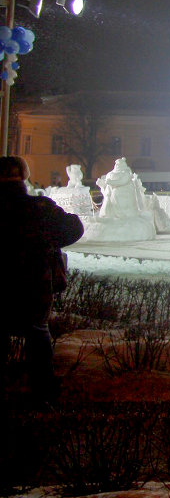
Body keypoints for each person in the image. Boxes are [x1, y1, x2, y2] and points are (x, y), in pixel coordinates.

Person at [0, 156, 84, 404]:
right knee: (37, 331)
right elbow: (73, 228)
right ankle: (42, 386)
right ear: (24, 177)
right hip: (34, 283)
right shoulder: (39, 208)